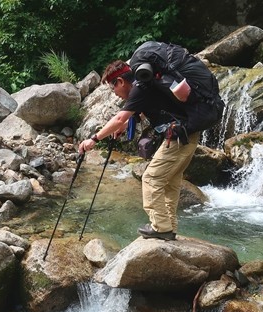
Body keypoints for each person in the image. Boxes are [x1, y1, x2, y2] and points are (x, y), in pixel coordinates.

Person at [78, 59, 200, 241]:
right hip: (187, 135)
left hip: (178, 137)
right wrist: (124, 125)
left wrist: (94, 139)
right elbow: (138, 114)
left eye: (113, 89)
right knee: (170, 182)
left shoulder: (139, 88)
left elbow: (119, 118)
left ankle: (161, 227)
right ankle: (168, 227)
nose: (116, 94)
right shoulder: (146, 87)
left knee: (151, 179)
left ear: (120, 81)